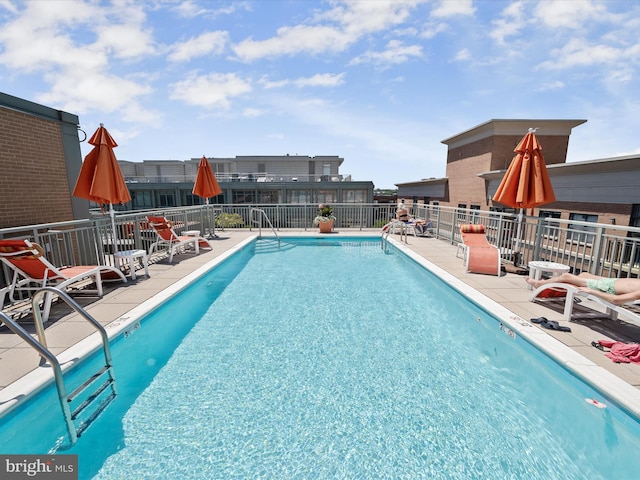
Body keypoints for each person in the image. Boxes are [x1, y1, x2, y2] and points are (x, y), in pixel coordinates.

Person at [525, 272, 640, 306]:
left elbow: (615, 300)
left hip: (606, 288)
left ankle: (539, 284)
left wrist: (592, 291)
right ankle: (553, 288)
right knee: (583, 274)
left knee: (567, 277)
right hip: (610, 281)